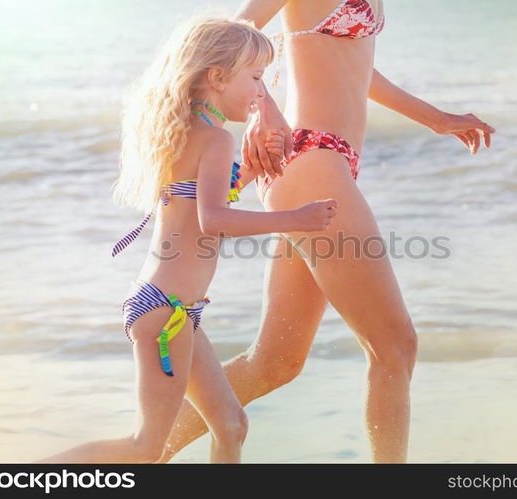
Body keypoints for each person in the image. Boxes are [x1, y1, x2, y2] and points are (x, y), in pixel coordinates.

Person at [160, 0, 496, 463]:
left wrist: (436, 118)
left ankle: (145, 451)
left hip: (319, 165)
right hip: (311, 158)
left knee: (275, 363)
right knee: (395, 347)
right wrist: (262, 108)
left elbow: (358, 69)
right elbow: (232, 32)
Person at [35, 15, 337, 464]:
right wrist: (297, 218)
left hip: (171, 308)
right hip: (168, 313)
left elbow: (195, 204)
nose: (260, 91)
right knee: (144, 448)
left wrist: (249, 173)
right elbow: (213, 219)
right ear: (217, 77)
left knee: (231, 425)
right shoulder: (214, 140)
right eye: (254, 78)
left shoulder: (186, 133)